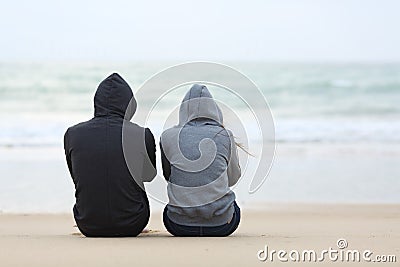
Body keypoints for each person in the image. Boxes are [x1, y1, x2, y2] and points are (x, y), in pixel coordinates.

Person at [64, 73, 156, 237]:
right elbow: (149, 176)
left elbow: (77, 175)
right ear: (130, 105)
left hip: (87, 223)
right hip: (133, 222)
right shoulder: (142, 134)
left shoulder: (73, 134)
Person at [160, 84, 241, 237]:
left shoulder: (168, 136)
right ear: (214, 110)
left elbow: (169, 176)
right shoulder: (225, 135)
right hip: (222, 225)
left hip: (178, 225)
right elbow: (232, 179)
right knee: (233, 206)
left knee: (169, 210)